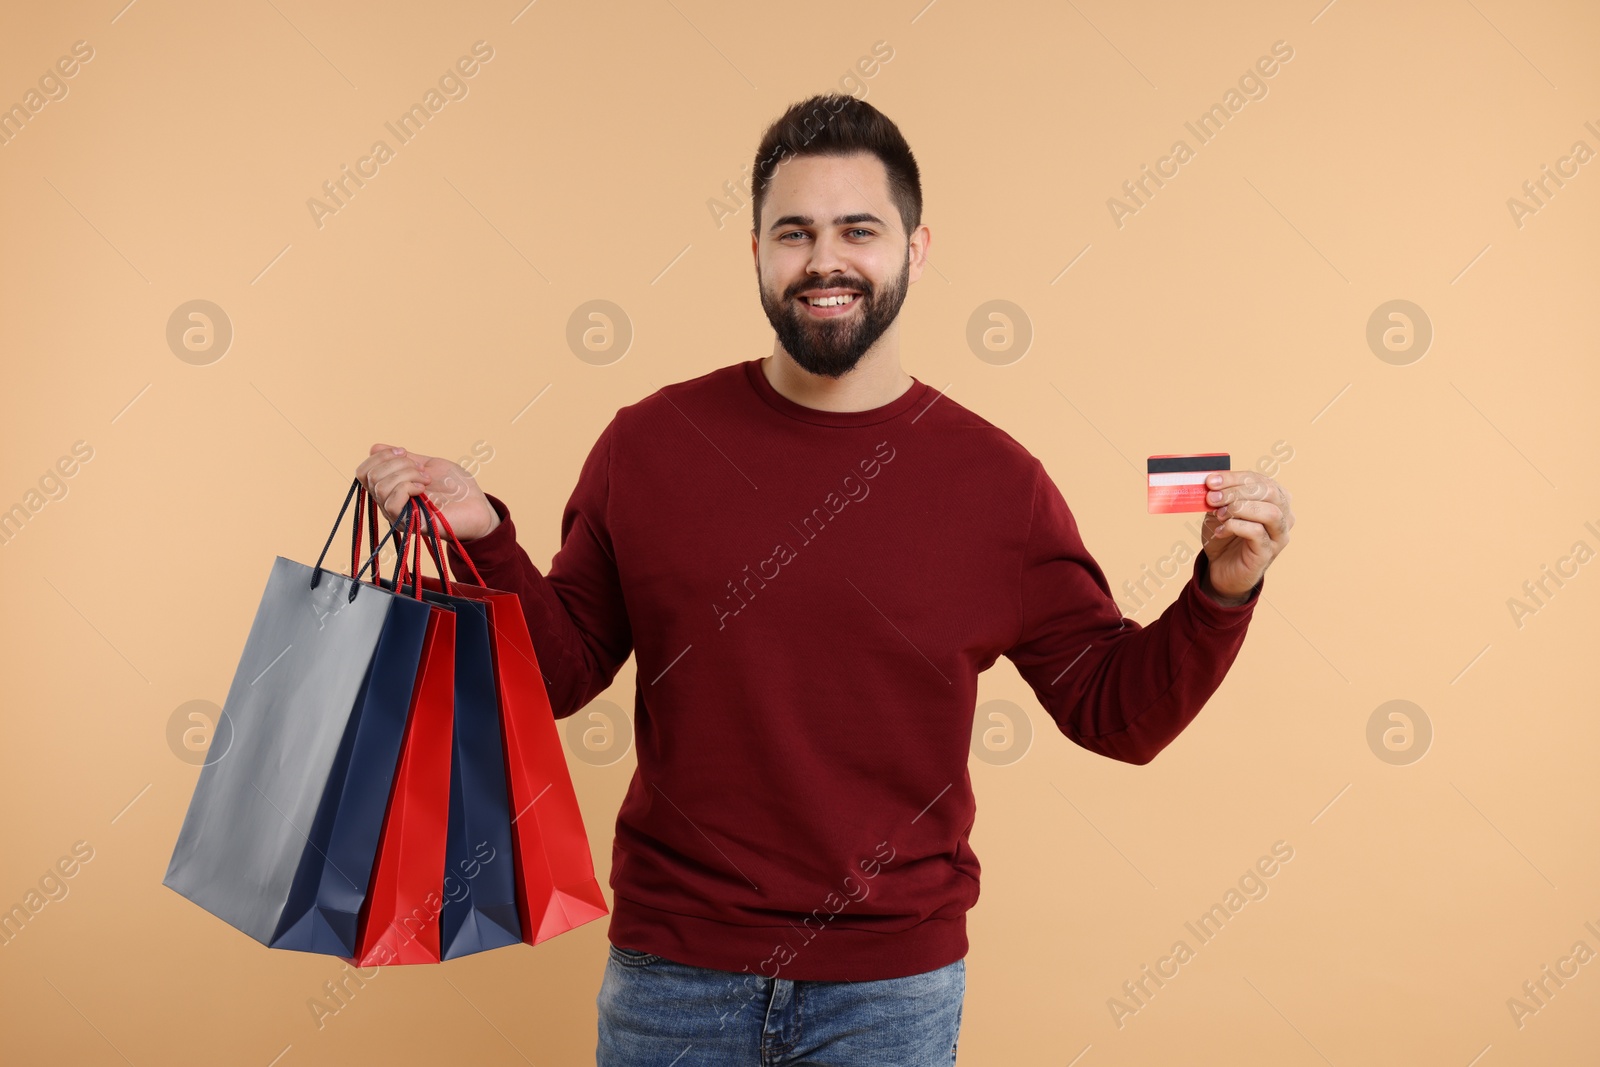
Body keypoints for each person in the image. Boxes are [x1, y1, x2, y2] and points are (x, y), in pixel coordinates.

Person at [355, 91, 1293, 1067]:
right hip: (672, 975)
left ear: (916, 249)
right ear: (756, 251)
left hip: (890, 993)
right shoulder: (650, 444)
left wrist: (1220, 592)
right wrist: (482, 540)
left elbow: (1116, 713)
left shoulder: (998, 485)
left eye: (858, 229)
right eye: (793, 231)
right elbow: (559, 676)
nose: (823, 259)